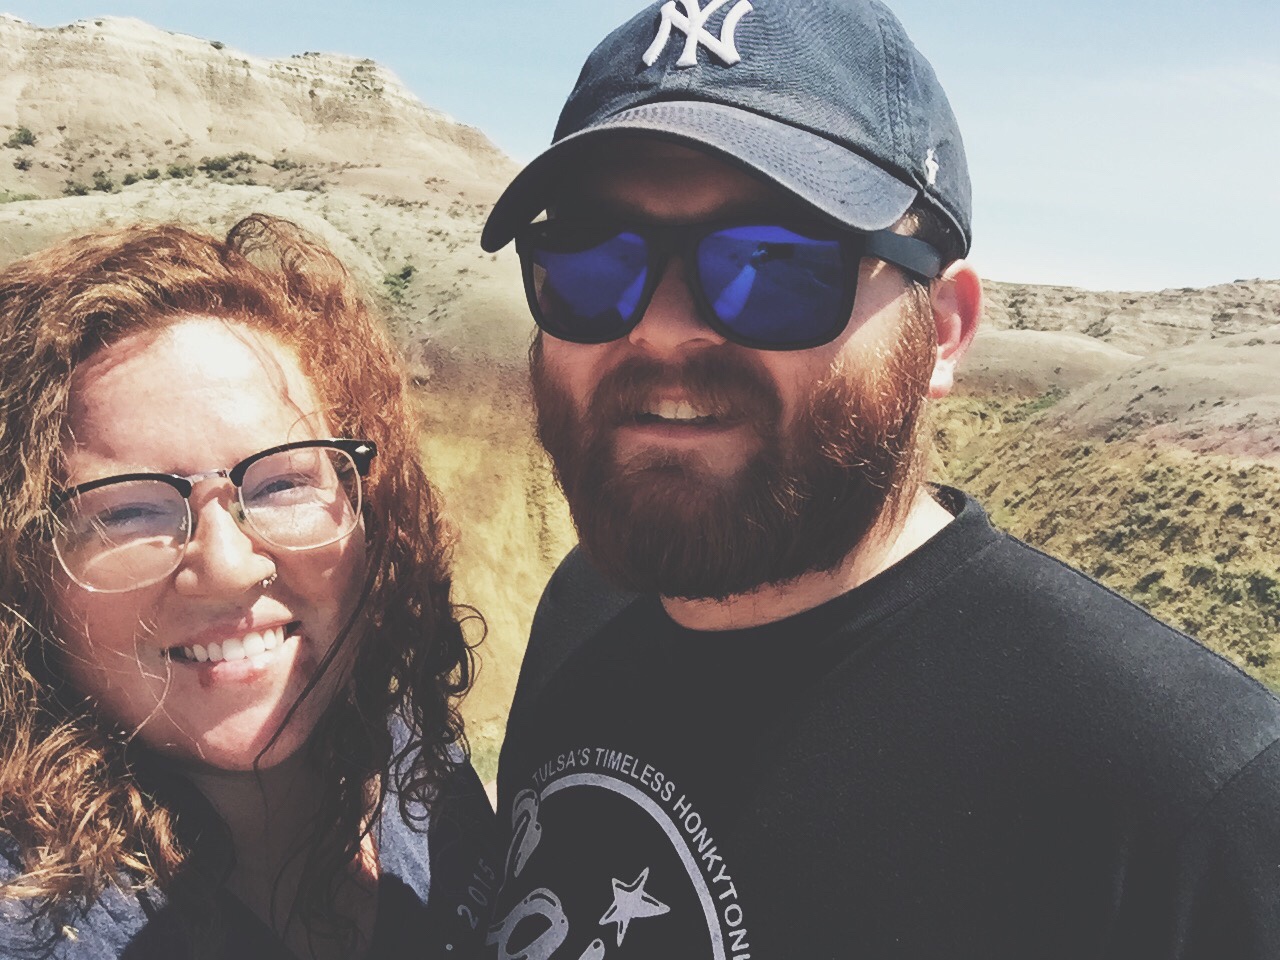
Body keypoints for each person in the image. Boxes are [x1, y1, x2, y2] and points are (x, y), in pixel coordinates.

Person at [477, 1, 1280, 957]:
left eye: (775, 265)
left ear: (941, 329)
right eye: (591, 262)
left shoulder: (1186, 803)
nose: (662, 327)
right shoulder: (584, 608)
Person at [0, 215, 496, 958]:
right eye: (128, 511)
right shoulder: (36, 924)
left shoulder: (410, 751)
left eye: (283, 482)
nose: (229, 568)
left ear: (367, 505)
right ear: (24, 567)